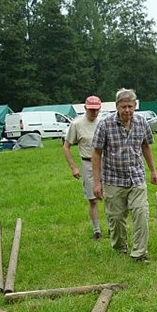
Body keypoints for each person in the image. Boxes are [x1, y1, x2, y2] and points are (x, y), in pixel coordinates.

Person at [92, 88, 157, 263]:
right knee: (116, 218)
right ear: (117, 107)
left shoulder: (141, 122)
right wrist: (97, 182)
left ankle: (139, 253)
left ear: (135, 106)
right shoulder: (105, 124)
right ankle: (119, 246)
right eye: (123, 107)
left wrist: (152, 170)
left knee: (141, 213)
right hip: (113, 179)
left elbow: (145, 146)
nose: (127, 110)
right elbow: (97, 152)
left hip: (136, 176)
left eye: (130, 106)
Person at [63, 95, 104, 240]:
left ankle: (114, 226)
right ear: (85, 108)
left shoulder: (103, 123)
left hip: (105, 162)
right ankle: (97, 230)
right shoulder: (77, 124)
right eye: (91, 110)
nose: (93, 113)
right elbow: (66, 147)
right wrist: (73, 167)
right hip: (88, 163)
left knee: (111, 196)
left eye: (96, 110)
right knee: (92, 198)